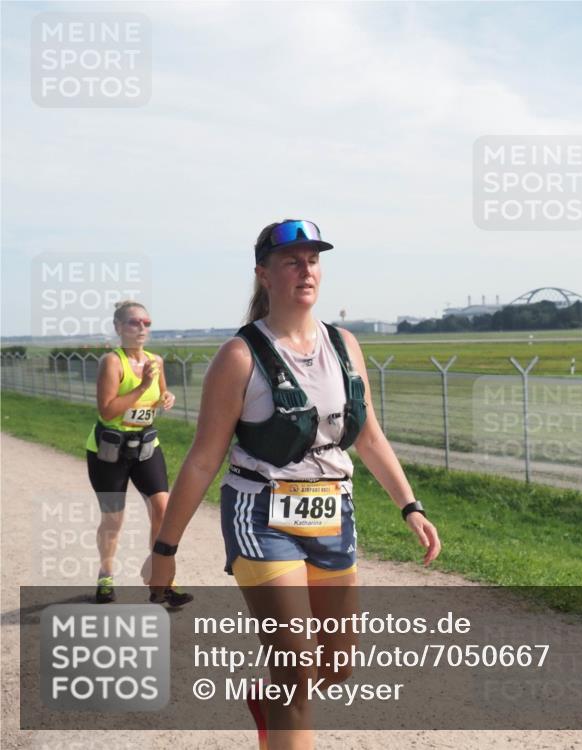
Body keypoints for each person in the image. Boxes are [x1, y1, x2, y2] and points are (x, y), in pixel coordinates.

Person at [149, 219, 441, 750]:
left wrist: (410, 506)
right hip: (261, 516)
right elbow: (200, 461)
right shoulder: (239, 357)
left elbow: (369, 436)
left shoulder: (344, 344)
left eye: (313, 260)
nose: (305, 270)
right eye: (291, 261)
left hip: (333, 513)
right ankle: (281, 696)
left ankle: (268, 703)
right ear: (263, 274)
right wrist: (165, 549)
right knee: (296, 671)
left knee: (336, 666)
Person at [85, 300, 191, 607]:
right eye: (134, 323)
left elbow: (158, 395)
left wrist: (166, 397)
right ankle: (106, 576)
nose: (142, 328)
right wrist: (142, 385)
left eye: (146, 322)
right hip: (109, 451)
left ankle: (161, 581)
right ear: (119, 327)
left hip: (146, 446)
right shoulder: (112, 362)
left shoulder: (155, 360)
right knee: (113, 520)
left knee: (162, 509)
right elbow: (106, 411)